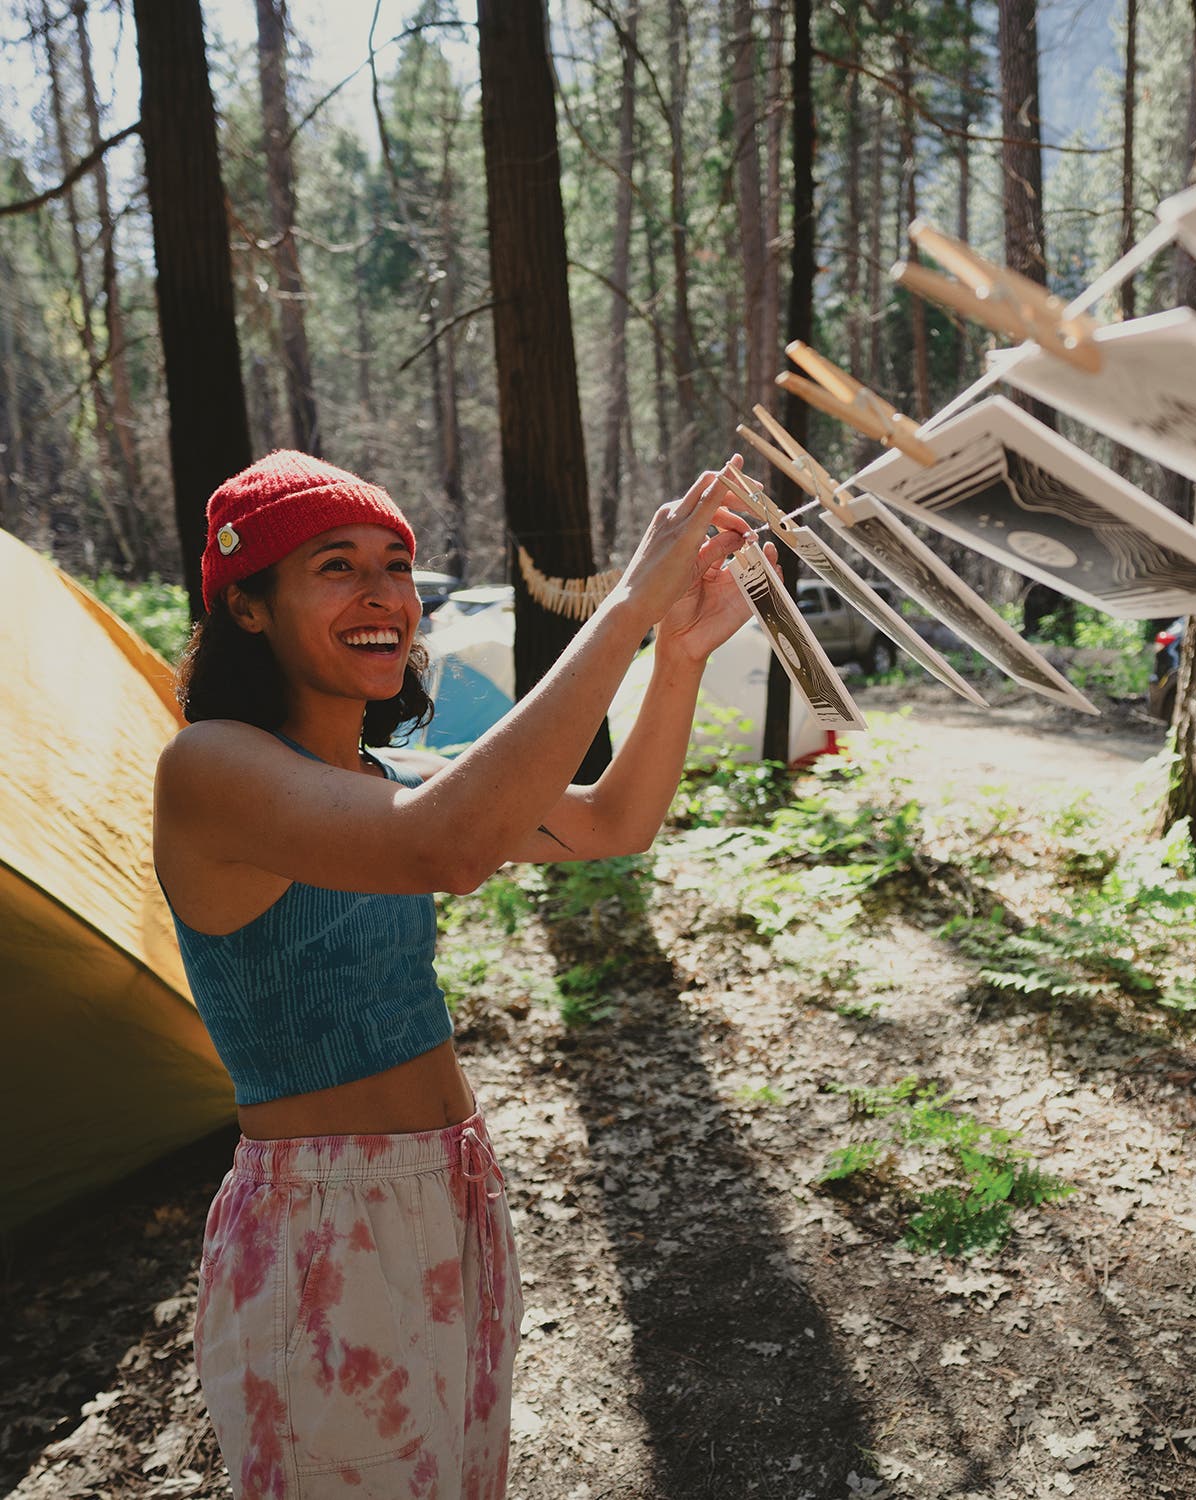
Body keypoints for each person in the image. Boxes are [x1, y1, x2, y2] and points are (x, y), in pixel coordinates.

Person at [153, 449, 765, 1500]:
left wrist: (678, 657)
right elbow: (443, 848)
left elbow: (615, 822)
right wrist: (623, 608)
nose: (384, 593)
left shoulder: (392, 778)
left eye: (395, 564)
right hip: (321, 1227)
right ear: (247, 607)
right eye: (335, 567)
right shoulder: (210, 767)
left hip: (455, 1186)